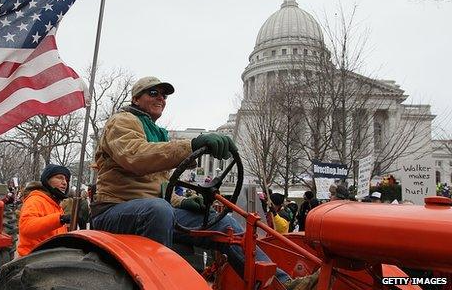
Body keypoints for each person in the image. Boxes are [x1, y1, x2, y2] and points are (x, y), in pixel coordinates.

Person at [91, 76, 290, 283]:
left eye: (164, 95)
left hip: (152, 210)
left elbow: (158, 188)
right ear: (136, 99)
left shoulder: (157, 132)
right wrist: (191, 146)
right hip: (114, 209)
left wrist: (184, 202)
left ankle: (280, 284)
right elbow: (136, 156)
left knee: (223, 223)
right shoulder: (122, 121)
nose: (161, 98)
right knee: (158, 210)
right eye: (153, 93)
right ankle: (158, 283)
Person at [17, 164, 71, 257]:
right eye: (59, 178)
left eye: (66, 179)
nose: (64, 182)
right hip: (32, 259)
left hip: (49, 259)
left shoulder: (56, 205)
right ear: (47, 181)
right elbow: (27, 227)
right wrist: (60, 219)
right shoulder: (35, 200)